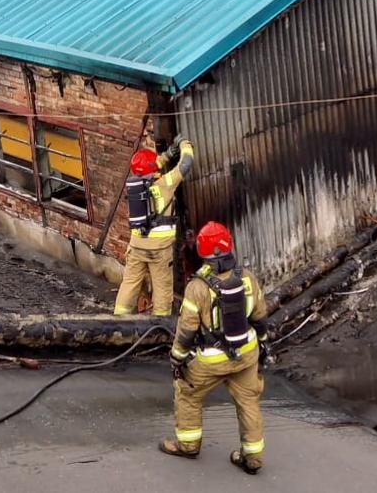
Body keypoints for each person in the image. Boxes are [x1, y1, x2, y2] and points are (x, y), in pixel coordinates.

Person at [160, 221, 268, 475]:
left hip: (210, 361)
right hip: (246, 354)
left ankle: (188, 444)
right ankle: (253, 458)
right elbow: (260, 317)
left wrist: (177, 359)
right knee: (248, 401)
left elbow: (186, 330)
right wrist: (262, 342)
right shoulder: (248, 278)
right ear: (229, 245)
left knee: (187, 393)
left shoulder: (197, 287)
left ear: (202, 250)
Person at [113, 138, 194, 316]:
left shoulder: (134, 186)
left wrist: (167, 155)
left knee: (130, 283)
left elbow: (149, 166)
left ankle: (118, 318)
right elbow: (186, 163)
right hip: (159, 249)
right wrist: (184, 144)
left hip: (136, 246)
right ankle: (159, 325)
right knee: (162, 288)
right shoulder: (164, 184)